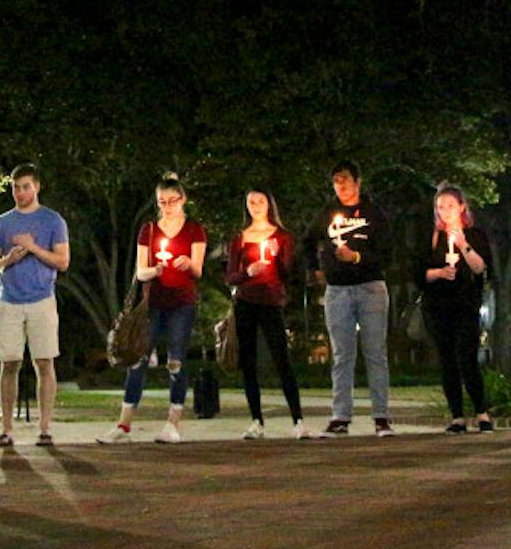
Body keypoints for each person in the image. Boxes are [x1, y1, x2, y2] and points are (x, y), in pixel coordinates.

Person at [99, 173, 206, 444]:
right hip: (153, 303)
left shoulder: (194, 229)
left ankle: (173, 423)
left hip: (182, 302)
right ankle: (124, 425)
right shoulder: (148, 230)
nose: (167, 206)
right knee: (137, 359)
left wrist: (186, 263)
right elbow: (141, 270)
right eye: (162, 201)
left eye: (172, 201)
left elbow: (198, 269)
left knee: (176, 359)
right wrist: (154, 270)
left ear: (183, 200)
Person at [307, 161, 395, 437]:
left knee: (375, 353)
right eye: (336, 181)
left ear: (358, 182)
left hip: (370, 287)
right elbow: (308, 241)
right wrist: (317, 268)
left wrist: (356, 257)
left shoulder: (373, 213)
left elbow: (386, 252)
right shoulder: (328, 213)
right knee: (342, 355)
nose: (340, 186)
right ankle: (340, 416)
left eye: (345, 179)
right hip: (338, 290)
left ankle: (381, 417)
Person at [0, 164, 69, 446]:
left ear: (37, 187)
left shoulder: (52, 220)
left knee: (44, 362)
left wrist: (32, 248)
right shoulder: (2, 223)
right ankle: (6, 428)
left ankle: (45, 428)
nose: (20, 192)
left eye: (26, 186)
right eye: (16, 187)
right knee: (9, 364)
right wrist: (9, 259)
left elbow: (62, 261)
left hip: (42, 299)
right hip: (9, 300)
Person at [224, 189, 312, 440]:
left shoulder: (282, 236)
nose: (255, 206)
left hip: (271, 302)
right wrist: (248, 272)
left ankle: (298, 420)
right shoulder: (240, 238)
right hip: (246, 302)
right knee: (248, 362)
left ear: (269, 204)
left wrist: (276, 257)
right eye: (251, 202)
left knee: (282, 359)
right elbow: (230, 276)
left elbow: (287, 275)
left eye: (260, 201)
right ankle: (256, 420)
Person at [415, 184, 494, 434]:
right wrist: (439, 273)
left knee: (467, 357)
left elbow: (481, 268)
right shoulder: (432, 237)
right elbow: (418, 273)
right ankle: (457, 416)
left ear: (461, 207)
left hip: (465, 305)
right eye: (440, 207)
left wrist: (463, 245)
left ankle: (482, 412)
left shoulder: (475, 235)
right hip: (438, 306)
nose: (445, 211)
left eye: (450, 206)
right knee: (447, 359)